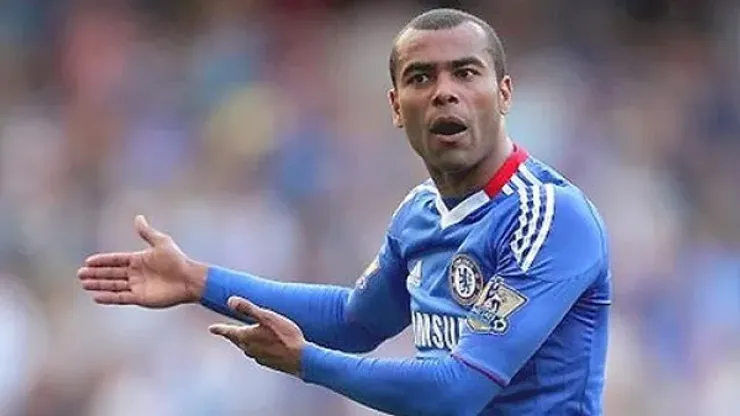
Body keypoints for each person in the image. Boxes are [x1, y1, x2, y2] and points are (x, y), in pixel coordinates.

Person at [78, 8, 611, 416]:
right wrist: (199, 281)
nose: (445, 93)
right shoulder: (420, 213)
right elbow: (355, 321)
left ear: (504, 94)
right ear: (396, 106)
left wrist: (307, 362)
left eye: (466, 73)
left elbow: (458, 393)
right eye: (421, 78)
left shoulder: (548, 216)